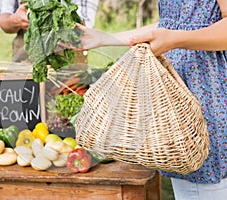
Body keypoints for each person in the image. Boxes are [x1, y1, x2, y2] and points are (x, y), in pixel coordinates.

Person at [70, 0, 227, 199]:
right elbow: (177, 23)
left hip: (206, 92)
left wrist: (176, 39)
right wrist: (103, 38)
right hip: (185, 92)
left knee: (203, 187)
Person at [0, 0, 99, 62]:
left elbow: (84, 23)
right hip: (25, 62)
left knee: (69, 95)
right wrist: (16, 20)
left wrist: (53, 18)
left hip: (68, 62)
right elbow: (4, 19)